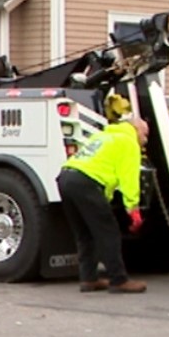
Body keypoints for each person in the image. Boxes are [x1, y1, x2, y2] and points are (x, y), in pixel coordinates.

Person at [57, 93, 149, 293]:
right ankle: (118, 280)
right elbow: (129, 180)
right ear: (136, 130)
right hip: (85, 182)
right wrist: (133, 210)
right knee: (108, 232)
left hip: (66, 177)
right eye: (145, 135)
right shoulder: (128, 143)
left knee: (85, 233)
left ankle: (88, 279)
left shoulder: (104, 135)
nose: (145, 140)